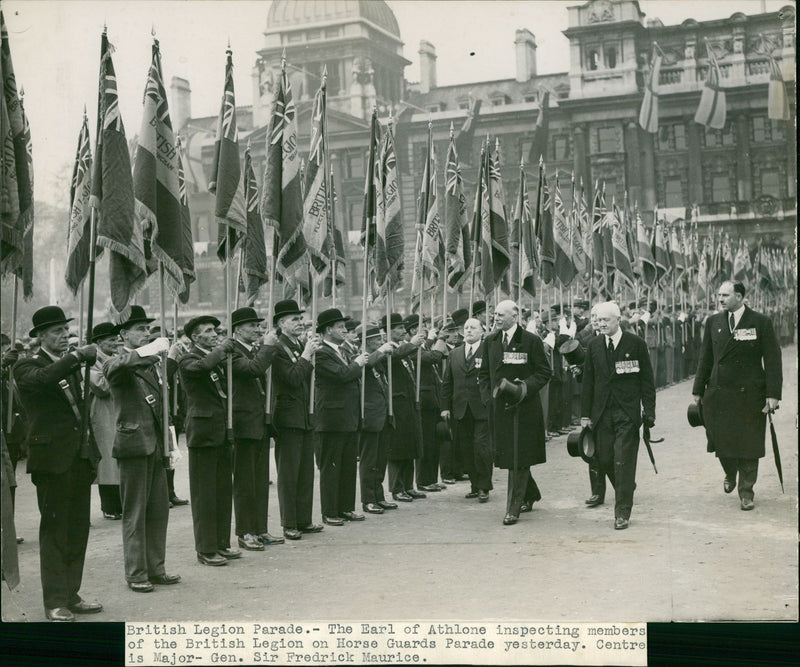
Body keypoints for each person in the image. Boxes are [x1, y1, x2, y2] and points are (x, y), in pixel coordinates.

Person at [13, 306, 102, 621]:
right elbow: (43, 379)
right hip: (51, 460)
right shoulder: (26, 366)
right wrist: (77, 358)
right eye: (56, 332)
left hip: (78, 456)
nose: (64, 336)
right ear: (39, 337)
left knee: (78, 529)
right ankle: (54, 602)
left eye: (66, 331)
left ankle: (71, 594)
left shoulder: (72, 364)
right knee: (54, 532)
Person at [105, 306, 181, 591]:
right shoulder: (119, 359)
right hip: (134, 443)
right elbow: (117, 368)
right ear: (123, 334)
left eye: (148, 329)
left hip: (155, 442)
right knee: (135, 513)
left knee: (158, 510)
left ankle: (156, 568)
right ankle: (136, 573)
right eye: (139, 329)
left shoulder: (151, 359)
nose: (146, 334)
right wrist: (148, 350)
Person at [692, 281, 782, 511]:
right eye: (719, 295)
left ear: (739, 296)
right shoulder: (713, 322)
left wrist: (773, 394)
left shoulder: (760, 322)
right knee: (720, 440)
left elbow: (772, 359)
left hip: (750, 394)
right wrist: (697, 390)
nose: (720, 299)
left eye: (725, 295)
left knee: (749, 442)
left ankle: (746, 491)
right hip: (719, 394)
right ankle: (730, 472)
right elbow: (706, 358)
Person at [580, 301, 656, 530]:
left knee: (623, 460)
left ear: (618, 319)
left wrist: (649, 412)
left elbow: (647, 382)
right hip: (602, 414)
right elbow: (588, 383)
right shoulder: (593, 346)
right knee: (604, 459)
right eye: (599, 320)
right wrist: (585, 415)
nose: (601, 324)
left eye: (606, 320)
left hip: (627, 413)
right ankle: (626, 487)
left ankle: (622, 512)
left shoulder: (636, 344)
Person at [478, 300, 551, 526]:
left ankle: (512, 508)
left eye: (501, 315)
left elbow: (544, 372)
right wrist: (488, 397)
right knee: (511, 456)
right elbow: (483, 375)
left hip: (524, 409)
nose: (497, 318)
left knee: (519, 456)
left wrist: (524, 387)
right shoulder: (490, 341)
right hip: (500, 409)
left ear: (515, 316)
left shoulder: (531, 341)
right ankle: (531, 493)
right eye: (495, 315)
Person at [178, 315, 239, 566]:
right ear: (195, 337)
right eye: (209, 331)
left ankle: (221, 542)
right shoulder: (188, 358)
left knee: (222, 491)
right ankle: (205, 548)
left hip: (222, 429)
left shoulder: (217, 356)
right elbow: (201, 368)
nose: (215, 334)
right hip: (203, 432)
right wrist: (222, 349)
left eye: (216, 330)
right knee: (205, 493)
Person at [228, 307, 282, 550]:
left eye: (258, 325)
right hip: (243, 423)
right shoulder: (232, 350)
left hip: (259, 421)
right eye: (252, 325)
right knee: (245, 482)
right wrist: (269, 347)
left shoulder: (253, 349)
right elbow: (252, 370)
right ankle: (245, 532)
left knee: (260, 480)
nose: (257, 329)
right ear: (238, 329)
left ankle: (260, 528)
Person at [271, 300, 323, 540]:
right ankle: (289, 522)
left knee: (305, 472)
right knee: (289, 473)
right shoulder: (278, 347)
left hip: (304, 416)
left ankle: (304, 519)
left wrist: (308, 352)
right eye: (295, 319)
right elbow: (291, 378)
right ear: (281, 324)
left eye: (301, 319)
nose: (300, 323)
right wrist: (305, 355)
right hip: (288, 417)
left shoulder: (300, 343)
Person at [314, 308, 370, 526]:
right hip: (331, 419)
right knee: (332, 466)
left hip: (347, 416)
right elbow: (342, 375)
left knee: (347, 465)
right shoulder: (321, 353)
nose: (345, 331)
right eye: (340, 327)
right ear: (328, 330)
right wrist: (358, 363)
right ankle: (330, 511)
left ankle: (346, 507)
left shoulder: (341, 351)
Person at [441, 317, 492, 502]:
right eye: (466, 327)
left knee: (481, 447)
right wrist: (445, 407)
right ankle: (474, 485)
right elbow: (447, 382)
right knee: (466, 449)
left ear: (482, 332)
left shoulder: (488, 350)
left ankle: (484, 486)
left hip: (482, 408)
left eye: (473, 327)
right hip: (460, 409)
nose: (469, 330)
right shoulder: (455, 354)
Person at [383, 313, 426, 502]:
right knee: (398, 448)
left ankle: (409, 485)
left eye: (402, 327)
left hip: (408, 402)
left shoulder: (402, 347)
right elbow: (394, 357)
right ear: (388, 331)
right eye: (398, 328)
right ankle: (396, 487)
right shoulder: (388, 348)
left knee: (411, 445)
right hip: (396, 403)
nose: (402, 331)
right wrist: (413, 344)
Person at [357, 325, 397, 514]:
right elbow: (366, 365)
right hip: (370, 416)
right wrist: (381, 351)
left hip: (383, 414)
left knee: (380, 459)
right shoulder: (362, 356)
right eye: (376, 339)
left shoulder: (378, 358)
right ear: (366, 340)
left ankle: (379, 496)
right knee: (369, 460)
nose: (380, 342)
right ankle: (368, 499)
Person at [87, 322, 123, 520]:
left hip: (117, 410)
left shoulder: (114, 358)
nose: (115, 342)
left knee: (116, 457)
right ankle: (109, 505)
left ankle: (118, 502)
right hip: (102, 412)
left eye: (115, 339)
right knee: (107, 460)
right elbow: (100, 385)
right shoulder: (92, 361)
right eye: (110, 339)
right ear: (99, 342)